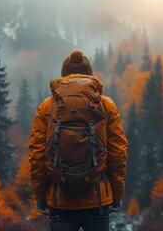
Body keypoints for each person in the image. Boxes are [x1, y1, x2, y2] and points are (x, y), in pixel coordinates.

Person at [28, 49, 128, 231]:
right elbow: (117, 154)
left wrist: (40, 196)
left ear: (63, 75)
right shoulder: (107, 105)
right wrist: (117, 193)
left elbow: (37, 155)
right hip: (98, 199)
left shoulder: (47, 107)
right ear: (89, 74)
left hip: (60, 200)